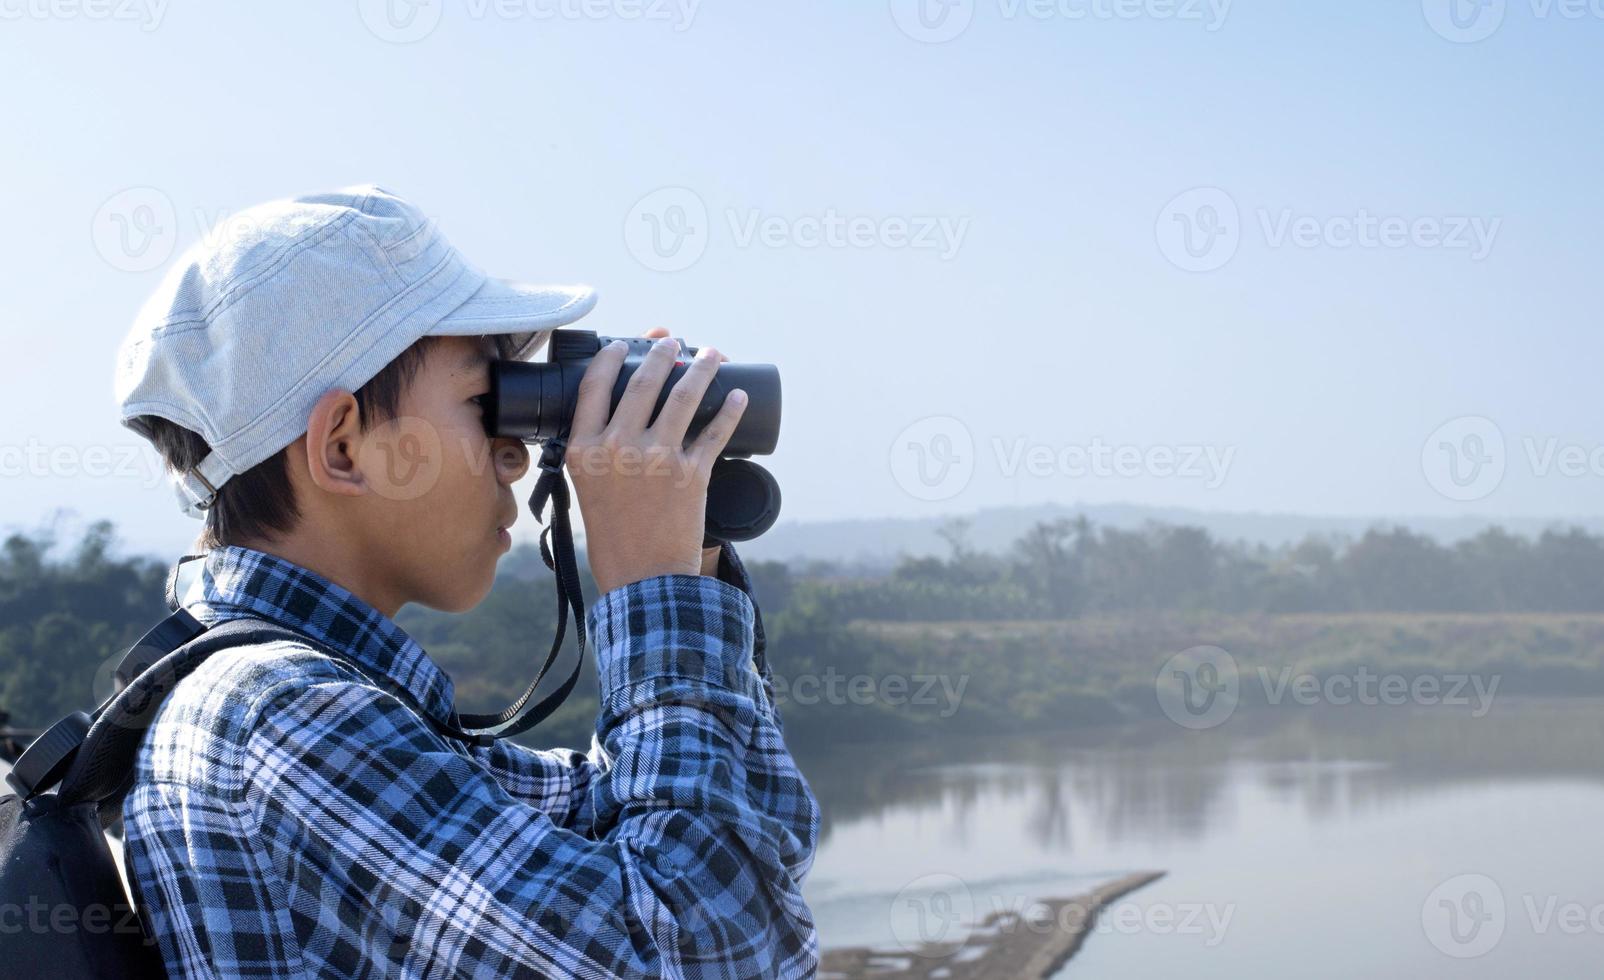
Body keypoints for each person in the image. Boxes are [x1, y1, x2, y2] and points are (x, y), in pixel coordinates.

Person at [112, 184, 820, 978]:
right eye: (486, 402)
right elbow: (712, 954)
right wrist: (653, 595)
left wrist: (692, 553)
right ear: (343, 447)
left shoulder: (309, 703)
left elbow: (728, 838)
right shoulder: (280, 716)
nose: (517, 453)